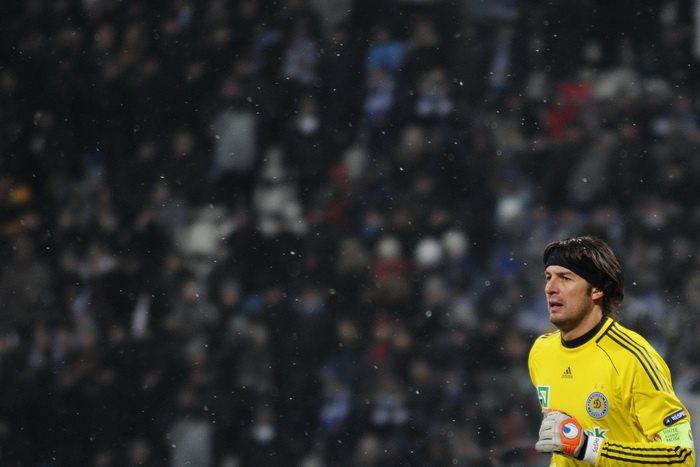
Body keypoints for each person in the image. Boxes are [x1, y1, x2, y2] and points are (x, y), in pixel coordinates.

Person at [528, 235, 695, 466]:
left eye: (565, 278)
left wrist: (589, 447)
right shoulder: (541, 352)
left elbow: (681, 457)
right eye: (548, 277)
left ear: (596, 290)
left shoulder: (632, 357)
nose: (549, 288)